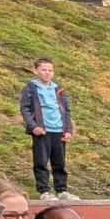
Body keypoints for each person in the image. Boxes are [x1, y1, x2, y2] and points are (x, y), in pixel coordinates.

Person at [18, 56, 75, 200]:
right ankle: (44, 191)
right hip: (42, 131)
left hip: (58, 131)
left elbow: (66, 111)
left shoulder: (58, 89)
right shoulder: (30, 88)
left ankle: (62, 190)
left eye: (50, 70)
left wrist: (68, 130)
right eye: (43, 70)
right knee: (41, 162)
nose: (47, 73)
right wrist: (34, 126)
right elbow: (24, 108)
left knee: (59, 163)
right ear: (36, 71)